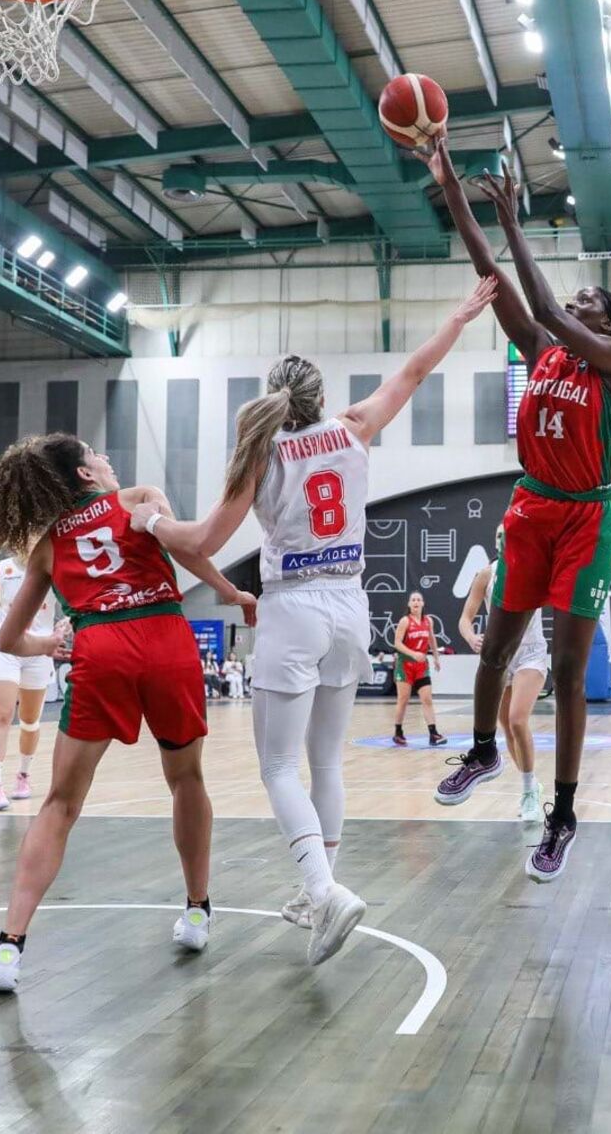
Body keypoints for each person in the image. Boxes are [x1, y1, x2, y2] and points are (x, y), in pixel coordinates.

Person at [131, 276, 497, 964]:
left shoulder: (261, 453)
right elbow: (416, 369)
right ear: (322, 397)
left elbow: (204, 541)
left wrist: (152, 520)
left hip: (294, 607)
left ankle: (323, 892)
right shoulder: (355, 429)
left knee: (276, 767)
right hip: (350, 606)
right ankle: (320, 888)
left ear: (276, 399)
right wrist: (460, 311)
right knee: (326, 761)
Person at [0, 434, 256, 992]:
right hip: (166, 637)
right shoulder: (139, 498)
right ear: (83, 474)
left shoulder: (48, 546)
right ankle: (197, 909)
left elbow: (6, 638)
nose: (105, 457)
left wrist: (49, 646)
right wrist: (231, 592)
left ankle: (8, 948)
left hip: (101, 649)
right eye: (96, 454)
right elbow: (192, 552)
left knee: (60, 804)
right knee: (186, 778)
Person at [421, 135, 611, 883]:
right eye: (575, 301)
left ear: (607, 325)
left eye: (589, 302)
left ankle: (564, 814)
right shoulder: (543, 351)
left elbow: (542, 300)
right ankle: (482, 749)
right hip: (533, 509)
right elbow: (491, 276)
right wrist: (446, 179)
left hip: (588, 518)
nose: (574, 303)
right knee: (494, 649)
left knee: (571, 672)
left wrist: (516, 218)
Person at [457, 524, 545, 821]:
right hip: (500, 655)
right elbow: (466, 618)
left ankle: (530, 792)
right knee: (507, 727)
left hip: (530, 653)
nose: (504, 540)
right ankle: (529, 783)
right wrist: (471, 637)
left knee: (518, 720)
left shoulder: (535, 567)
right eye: (500, 535)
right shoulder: (487, 574)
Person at [0, 549, 58, 810]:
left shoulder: (54, 564)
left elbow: (80, 601)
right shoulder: (0, 570)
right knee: (2, 715)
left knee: (29, 720)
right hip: (5, 648)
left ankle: (23, 774)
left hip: (39, 648)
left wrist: (68, 624)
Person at [391, 591, 445, 746]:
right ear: (409, 604)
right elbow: (397, 643)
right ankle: (398, 731)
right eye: (413, 600)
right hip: (405, 665)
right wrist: (413, 653)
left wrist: (435, 657)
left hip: (421, 665)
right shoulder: (405, 621)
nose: (415, 602)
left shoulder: (428, 621)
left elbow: (432, 638)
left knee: (427, 699)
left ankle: (433, 733)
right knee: (403, 699)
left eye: (418, 600)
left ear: (423, 603)